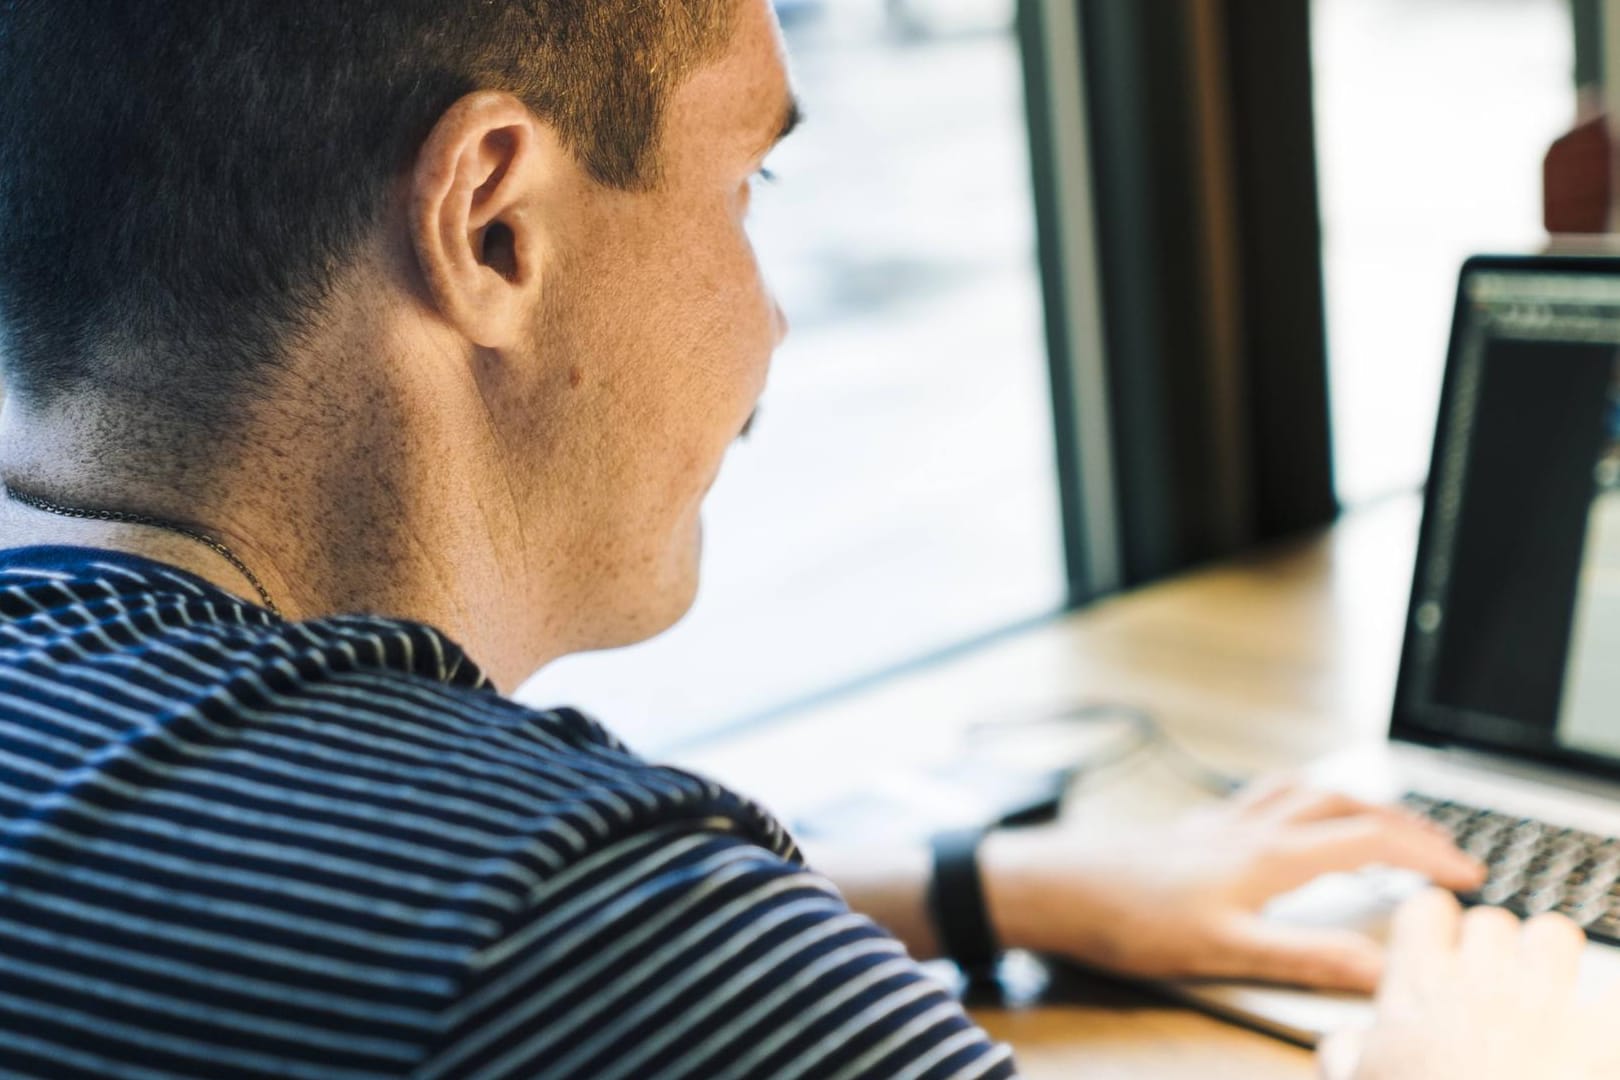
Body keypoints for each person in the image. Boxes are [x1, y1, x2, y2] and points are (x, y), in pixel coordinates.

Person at [0, 1, 1609, 1076]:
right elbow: (562, 952)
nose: (771, 317)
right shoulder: (592, 953)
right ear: (494, 224)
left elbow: (339, 912)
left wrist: (995, 887)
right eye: (749, 180)